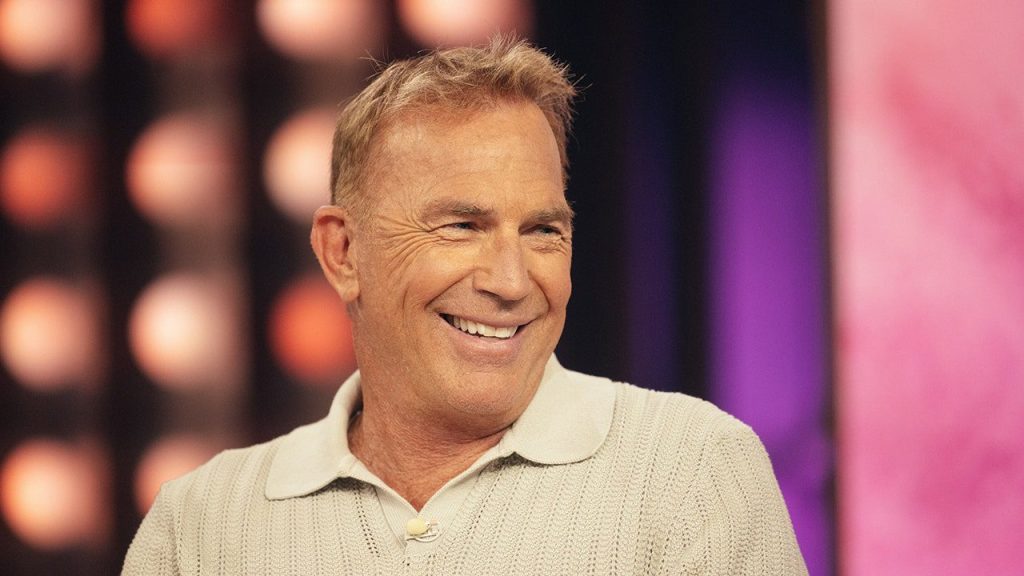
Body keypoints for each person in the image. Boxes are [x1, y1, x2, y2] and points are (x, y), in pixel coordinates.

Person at [123, 37, 807, 575]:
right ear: (343, 253)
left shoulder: (691, 469)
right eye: (462, 226)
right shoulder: (200, 525)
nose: (511, 281)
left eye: (542, 231)